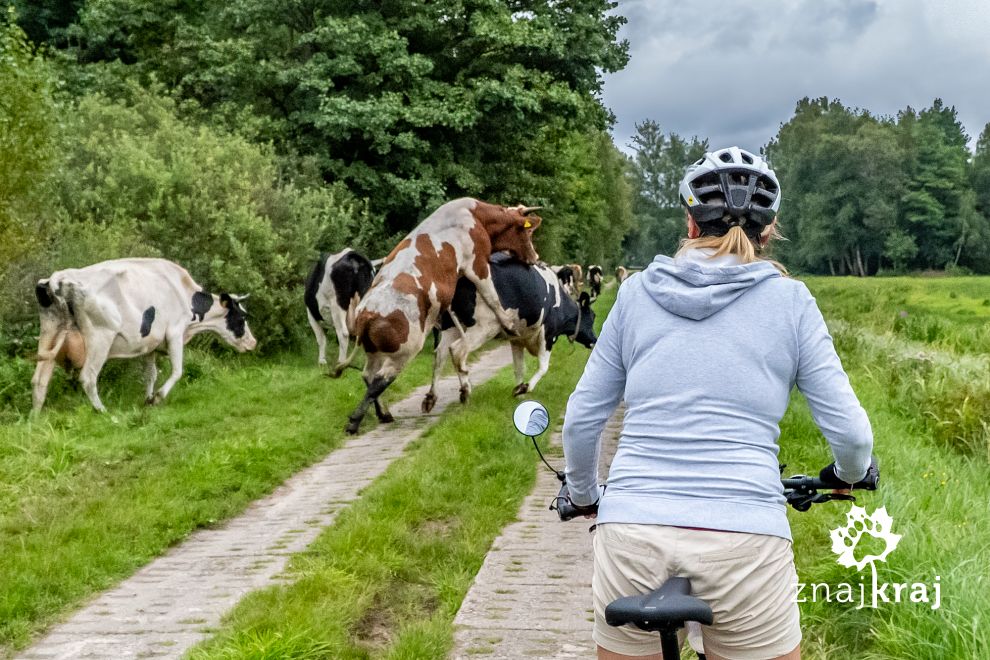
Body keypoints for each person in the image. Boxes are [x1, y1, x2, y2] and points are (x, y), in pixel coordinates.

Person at [562, 146, 874, 660]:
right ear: (769, 230)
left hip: (633, 534)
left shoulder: (636, 295)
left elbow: (581, 421)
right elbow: (853, 435)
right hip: (746, 542)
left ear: (689, 223)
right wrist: (849, 474)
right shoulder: (791, 302)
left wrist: (582, 493)